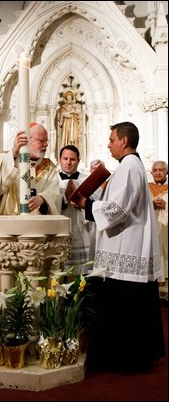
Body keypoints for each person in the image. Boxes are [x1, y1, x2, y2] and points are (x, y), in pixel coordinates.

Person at [76, 121, 165, 372]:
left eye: (112, 139)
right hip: (127, 247)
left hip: (126, 249)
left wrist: (85, 204)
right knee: (132, 311)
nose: (108, 144)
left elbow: (117, 210)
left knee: (124, 311)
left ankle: (126, 360)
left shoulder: (128, 167)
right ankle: (135, 357)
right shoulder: (131, 166)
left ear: (124, 141)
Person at [0, 123, 61, 215]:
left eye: (46, 141)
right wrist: (14, 153)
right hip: (10, 221)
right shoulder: (7, 159)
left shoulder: (48, 167)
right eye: (41, 141)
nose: (46, 145)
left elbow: (55, 194)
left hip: (38, 224)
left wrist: (43, 198)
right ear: (27, 140)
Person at [58, 145, 93, 272]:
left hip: (82, 228)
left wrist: (81, 202)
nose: (68, 162)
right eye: (65, 158)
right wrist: (63, 199)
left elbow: (97, 201)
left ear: (78, 160)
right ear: (59, 160)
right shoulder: (52, 179)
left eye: (72, 159)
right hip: (60, 227)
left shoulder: (87, 179)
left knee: (82, 270)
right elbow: (47, 202)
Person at [148, 161, 168, 296]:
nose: (158, 172)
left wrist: (166, 205)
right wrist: (150, 204)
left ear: (167, 172)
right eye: (155, 170)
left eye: (161, 170)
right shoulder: (146, 188)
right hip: (151, 231)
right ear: (151, 173)